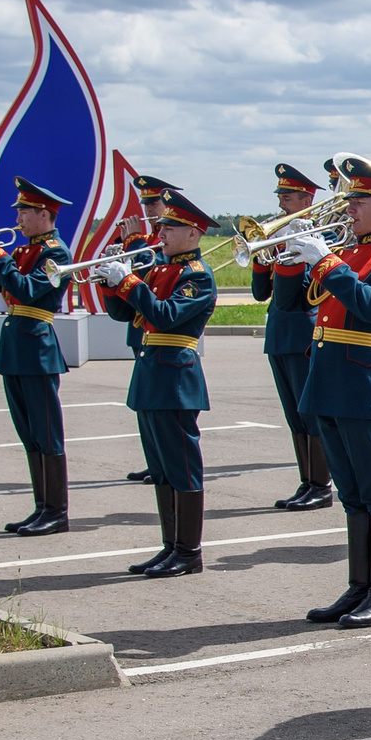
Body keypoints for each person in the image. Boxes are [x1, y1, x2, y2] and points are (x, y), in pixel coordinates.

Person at [288, 157, 371, 628]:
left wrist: (323, 260)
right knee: (351, 494)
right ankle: (359, 585)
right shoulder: (342, 254)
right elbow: (290, 302)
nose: (348, 208)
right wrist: (292, 258)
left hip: (365, 386)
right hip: (327, 382)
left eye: (358, 200)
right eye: (348, 199)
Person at [98, 190, 219, 578]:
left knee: (183, 468)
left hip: (176, 378)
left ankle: (189, 551)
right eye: (162, 224)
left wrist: (130, 283)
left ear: (194, 233)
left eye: (171, 226)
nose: (161, 231)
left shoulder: (197, 277)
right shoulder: (159, 268)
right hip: (152, 376)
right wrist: (109, 279)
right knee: (163, 468)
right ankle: (170, 546)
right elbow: (122, 312)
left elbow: (164, 316)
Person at [0, 177, 72, 536]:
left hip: (37, 346)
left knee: (46, 433)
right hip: (16, 345)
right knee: (29, 434)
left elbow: (26, 290)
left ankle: (56, 510)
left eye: (25, 210)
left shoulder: (56, 253)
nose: (19, 217)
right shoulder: (25, 251)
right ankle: (41, 507)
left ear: (44, 213)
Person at [248, 162, 334, 513]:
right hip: (279, 332)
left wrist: (290, 251)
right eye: (280, 195)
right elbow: (259, 292)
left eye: (287, 196)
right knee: (293, 416)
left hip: (303, 330)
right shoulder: (279, 233)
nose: (281, 202)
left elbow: (297, 294)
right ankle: (307, 480)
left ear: (306, 199)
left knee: (309, 413)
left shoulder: (320, 236)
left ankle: (321, 484)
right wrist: (260, 254)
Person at [119, 176, 174, 485]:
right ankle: (153, 460)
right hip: (141, 327)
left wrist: (134, 243)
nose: (149, 210)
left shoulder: (167, 240)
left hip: (162, 328)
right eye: (146, 204)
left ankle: (162, 462)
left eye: (154, 204)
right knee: (144, 403)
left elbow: (144, 273)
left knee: (159, 403)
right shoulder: (149, 237)